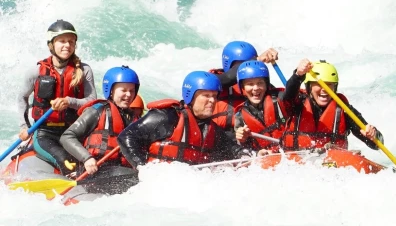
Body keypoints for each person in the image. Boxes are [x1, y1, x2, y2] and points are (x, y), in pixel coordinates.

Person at [117, 71, 252, 167]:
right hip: (158, 183)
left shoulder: (212, 129)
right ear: (191, 97)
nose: (212, 100)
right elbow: (127, 137)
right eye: (206, 95)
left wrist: (248, 156)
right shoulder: (167, 117)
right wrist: (143, 168)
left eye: (214, 96)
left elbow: (233, 149)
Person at [17, 19, 96, 174]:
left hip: (74, 131)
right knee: (67, 162)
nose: (67, 45)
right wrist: (24, 127)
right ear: (51, 45)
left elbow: (92, 101)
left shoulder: (84, 70)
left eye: (71, 42)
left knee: (89, 159)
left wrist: (69, 102)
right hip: (45, 133)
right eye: (62, 41)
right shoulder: (36, 71)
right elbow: (22, 98)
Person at [282, 60, 384, 151]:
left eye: (329, 84)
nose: (325, 89)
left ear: (335, 88)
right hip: (295, 162)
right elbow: (287, 95)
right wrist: (298, 75)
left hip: (331, 165)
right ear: (309, 87)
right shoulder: (297, 103)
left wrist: (373, 136)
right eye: (319, 84)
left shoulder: (344, 110)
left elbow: (377, 145)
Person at [60, 65, 140, 178]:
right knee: (135, 177)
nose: (128, 94)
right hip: (94, 172)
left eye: (132, 90)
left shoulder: (134, 119)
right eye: (124, 90)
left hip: (120, 171)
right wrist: (86, 158)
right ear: (111, 91)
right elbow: (67, 136)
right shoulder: (97, 110)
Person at [234, 59, 310, 152]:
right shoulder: (240, 115)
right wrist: (242, 139)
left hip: (292, 154)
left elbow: (291, 92)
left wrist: (298, 75)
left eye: (260, 83)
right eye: (250, 84)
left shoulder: (279, 99)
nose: (255, 88)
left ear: (266, 85)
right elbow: (243, 149)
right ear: (242, 88)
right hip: (266, 158)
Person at [210, 40, 279, 131]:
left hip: (250, 137)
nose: (247, 69)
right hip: (220, 137)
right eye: (242, 64)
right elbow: (224, 79)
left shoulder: (262, 87)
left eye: (250, 64)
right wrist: (256, 60)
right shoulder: (216, 81)